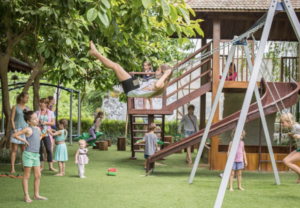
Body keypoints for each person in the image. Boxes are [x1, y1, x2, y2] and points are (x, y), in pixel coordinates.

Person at [89, 41, 173, 98]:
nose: (156, 71)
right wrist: (133, 78)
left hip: (133, 89)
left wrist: (166, 74)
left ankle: (95, 53)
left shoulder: (161, 84)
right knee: (116, 66)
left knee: (116, 66)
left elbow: (157, 85)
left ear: (163, 73)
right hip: (135, 86)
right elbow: (144, 85)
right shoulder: (158, 80)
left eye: (158, 70)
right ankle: (95, 53)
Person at [13, 110, 48, 203]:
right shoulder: (28, 129)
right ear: (28, 121)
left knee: (38, 175)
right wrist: (24, 141)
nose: (37, 120)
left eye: (37, 118)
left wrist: (45, 133)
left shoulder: (38, 129)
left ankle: (36, 195)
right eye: (34, 119)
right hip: (28, 155)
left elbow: (39, 137)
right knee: (26, 176)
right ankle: (26, 196)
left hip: (36, 155)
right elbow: (15, 135)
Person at [10, 92, 30, 173]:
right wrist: (14, 129)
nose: (27, 99)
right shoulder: (15, 107)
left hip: (25, 130)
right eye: (26, 97)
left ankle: (23, 166)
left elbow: (30, 119)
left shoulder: (28, 107)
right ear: (21, 98)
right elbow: (11, 119)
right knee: (14, 149)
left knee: (23, 150)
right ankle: (12, 168)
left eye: (28, 98)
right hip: (16, 130)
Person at [36, 98, 57, 171]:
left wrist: (46, 123)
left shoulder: (50, 113)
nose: (40, 104)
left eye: (42, 103)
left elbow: (53, 123)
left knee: (48, 149)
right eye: (40, 102)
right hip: (38, 133)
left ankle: (50, 167)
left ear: (46, 104)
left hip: (47, 133)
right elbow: (34, 122)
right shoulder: (37, 112)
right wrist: (37, 122)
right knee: (39, 150)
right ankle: (41, 166)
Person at [281, 113, 300, 184]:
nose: (282, 124)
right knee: (285, 160)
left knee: (287, 161)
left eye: (283, 122)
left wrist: (299, 136)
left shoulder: (297, 126)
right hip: (298, 148)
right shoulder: (292, 127)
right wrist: (291, 134)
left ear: (288, 121)